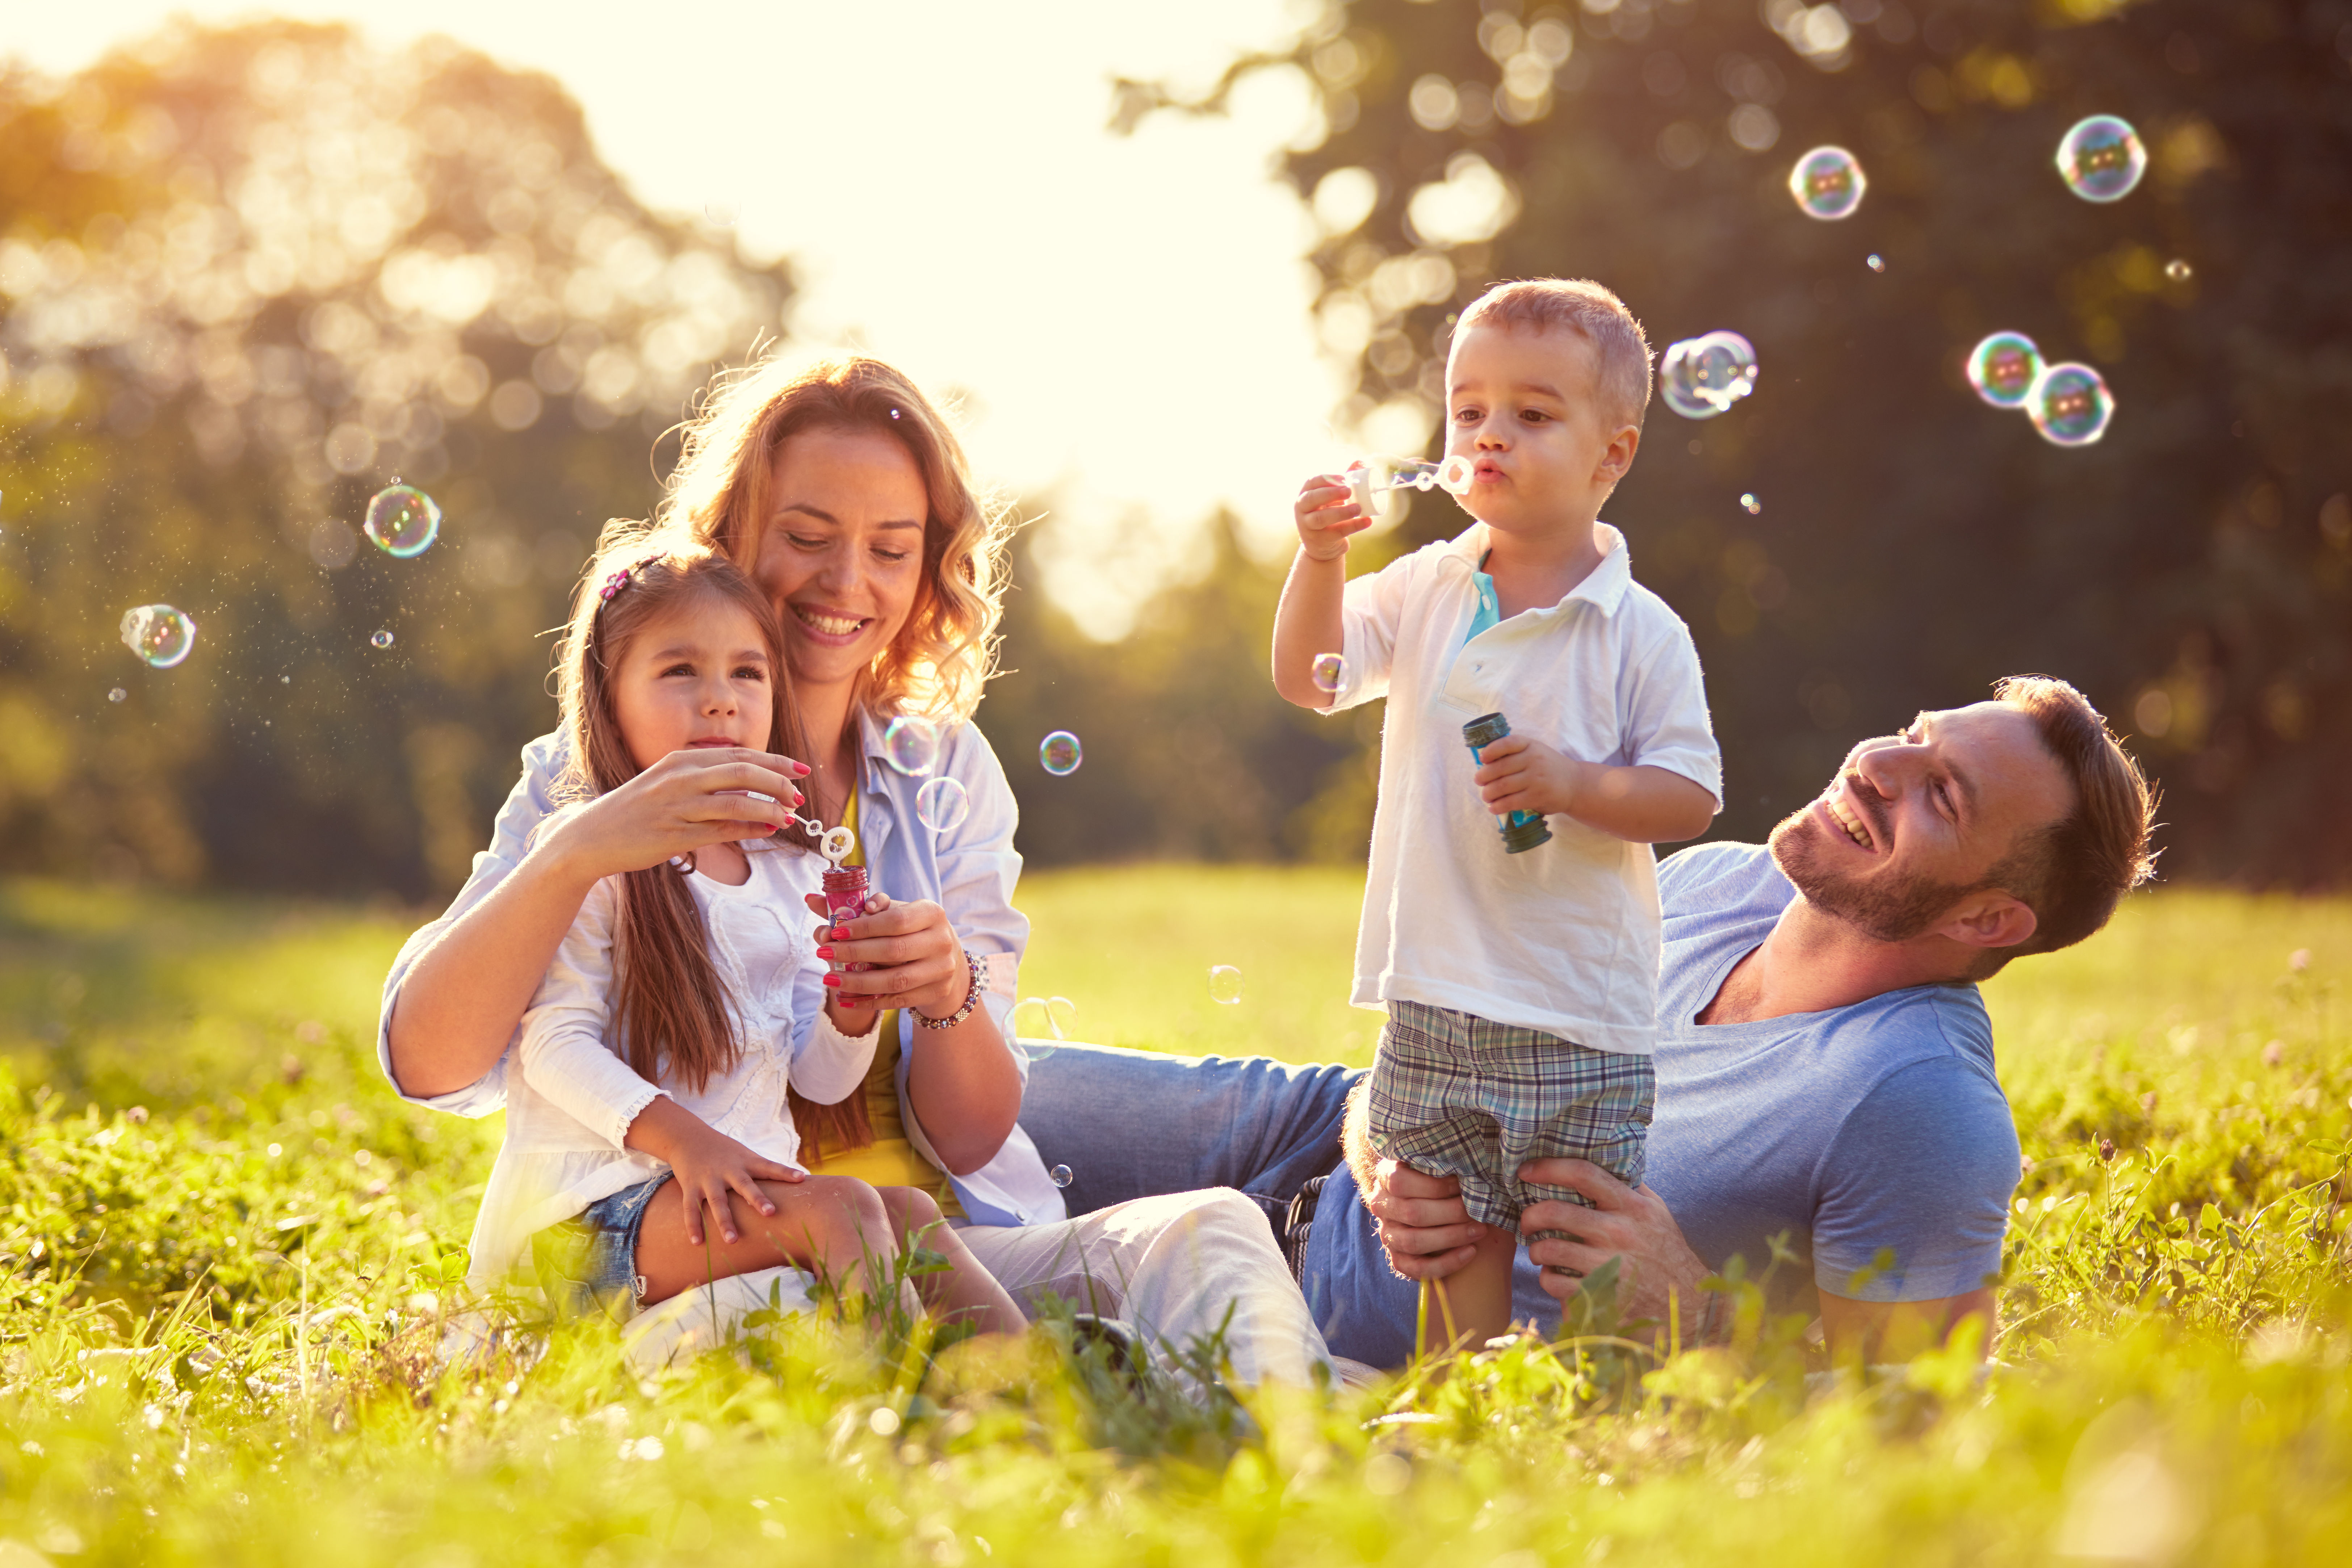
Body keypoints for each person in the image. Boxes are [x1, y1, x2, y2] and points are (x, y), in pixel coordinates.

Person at [379, 353, 1332, 1384]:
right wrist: (574, 851)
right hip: (702, 1257)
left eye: (892, 548)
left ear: (930, 568)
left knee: (1213, 1231)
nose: (847, 584)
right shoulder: (600, 774)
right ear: (729, 536)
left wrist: (942, 991)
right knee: (807, 1338)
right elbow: (431, 1063)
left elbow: (965, 1138)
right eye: (806, 537)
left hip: (937, 1244)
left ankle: (1305, 1468)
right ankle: (1010, 1411)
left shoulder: (943, 772)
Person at [1018, 677, 2158, 1366]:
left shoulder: (1920, 1104)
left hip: (1335, 1305)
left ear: (1992, 916)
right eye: (1915, 734)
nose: (1878, 764)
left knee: (927, 1266)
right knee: (943, 1082)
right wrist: (1380, 1131)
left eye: (1941, 793)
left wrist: (1701, 1317)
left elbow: (1914, 1429)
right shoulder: (1720, 882)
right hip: (1311, 1129)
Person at [1272, 278, 1721, 1346]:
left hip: (1575, 1001)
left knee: (1578, 1233)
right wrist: (1322, 558)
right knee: (1447, 1225)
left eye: (1532, 414)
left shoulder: (1638, 631)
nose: (1489, 435)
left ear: (1613, 455)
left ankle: (1607, 1402)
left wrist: (1574, 785)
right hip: (1435, 982)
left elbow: (1690, 795)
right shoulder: (1429, 585)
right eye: (1469, 411)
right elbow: (1312, 674)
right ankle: (1465, 1402)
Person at [471, 541, 1023, 1336]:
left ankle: (1036, 1391)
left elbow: (819, 1080)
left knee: (906, 1215)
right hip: (584, 1221)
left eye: (747, 673)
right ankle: (915, 1405)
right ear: (608, 696)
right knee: (841, 1206)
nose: (721, 700)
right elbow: (550, 1044)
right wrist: (691, 1144)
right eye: (679, 671)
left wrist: (849, 1011)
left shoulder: (781, 869)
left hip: (719, 1200)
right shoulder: (591, 851)